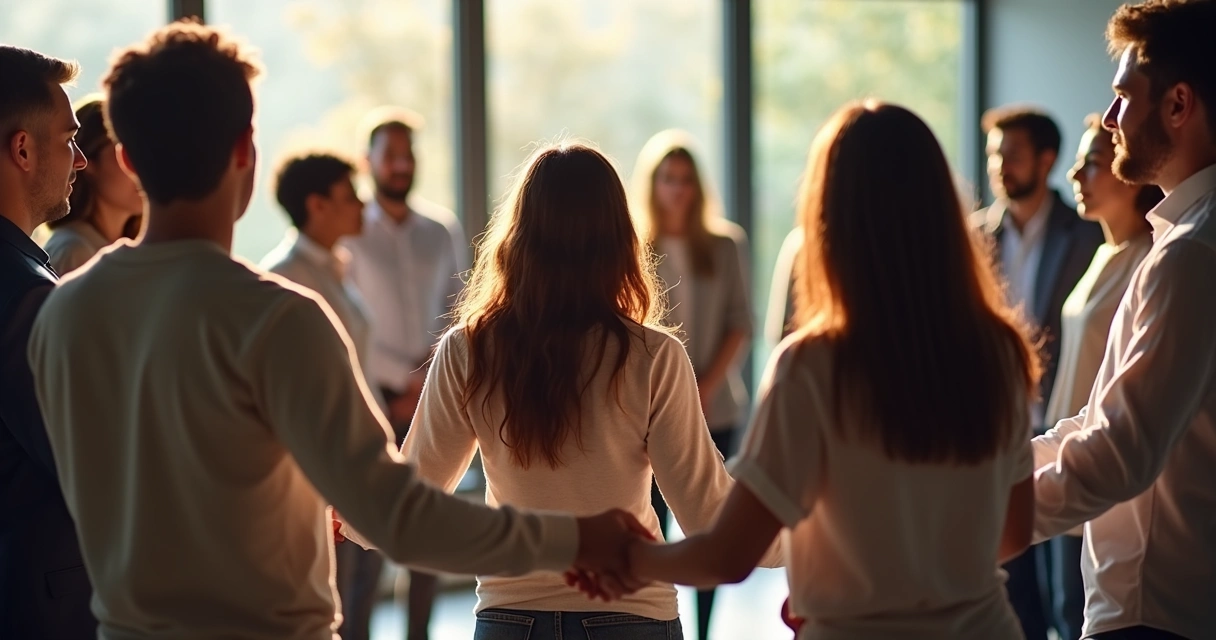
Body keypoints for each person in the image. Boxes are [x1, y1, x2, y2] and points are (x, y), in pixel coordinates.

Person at [25, 22, 649, 640]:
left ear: (128, 159)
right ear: (246, 149)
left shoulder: (63, 315)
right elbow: (402, 518)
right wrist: (579, 535)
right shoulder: (279, 321)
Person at [608, 100, 1040, 639]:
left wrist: (626, 556)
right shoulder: (998, 350)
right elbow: (1016, 529)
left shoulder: (813, 366)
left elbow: (727, 556)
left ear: (827, 213)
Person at [364, 141, 780, 639]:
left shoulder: (468, 350)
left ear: (518, 235)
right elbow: (707, 517)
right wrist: (809, 536)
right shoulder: (653, 355)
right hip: (631, 617)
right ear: (619, 237)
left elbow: (413, 499)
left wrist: (345, 519)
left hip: (508, 620)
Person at [1032, 2, 1216, 639]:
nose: (1110, 122)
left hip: (1152, 613)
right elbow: (1101, 418)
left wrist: (982, 520)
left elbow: (1121, 451)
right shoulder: (1179, 240)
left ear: (1177, 105)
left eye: (1121, 97)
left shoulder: (1192, 252)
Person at [973, 104, 1104, 640]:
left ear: (1047, 160)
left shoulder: (1088, 234)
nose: (1001, 166)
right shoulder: (975, 237)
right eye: (994, 156)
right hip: (994, 432)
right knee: (1009, 591)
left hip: (1063, 423)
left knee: (1068, 596)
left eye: (1013, 154)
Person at [341, 106, 467, 640]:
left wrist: (425, 382)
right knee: (363, 545)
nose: (399, 164)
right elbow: (346, 320)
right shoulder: (348, 232)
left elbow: (459, 308)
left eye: (407, 154)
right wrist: (396, 384)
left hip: (431, 400)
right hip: (369, 403)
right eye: (389, 154)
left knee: (427, 541)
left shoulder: (441, 231)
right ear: (368, 160)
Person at [1037, 114, 1163, 640]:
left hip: (1096, 471)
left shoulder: (1150, 263)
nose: (1076, 177)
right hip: (1066, 447)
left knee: (1073, 619)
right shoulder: (1102, 254)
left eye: (1091, 163)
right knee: (1057, 616)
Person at [629, 129, 753, 640]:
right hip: (650, 409)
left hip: (717, 407)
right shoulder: (636, 244)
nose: (677, 189)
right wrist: (673, 389)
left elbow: (741, 321)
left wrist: (702, 386)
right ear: (652, 185)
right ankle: (655, 620)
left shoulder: (725, 246)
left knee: (708, 523)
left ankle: (701, 631)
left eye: (685, 180)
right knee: (653, 519)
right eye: (667, 179)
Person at [0, 43, 95, 639]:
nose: (80, 160)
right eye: (69, 139)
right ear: (24, 149)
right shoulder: (24, 295)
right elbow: (88, 464)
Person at [42, 95, 142, 275]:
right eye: (124, 151)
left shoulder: (127, 250)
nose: (139, 167)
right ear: (87, 160)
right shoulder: (73, 251)